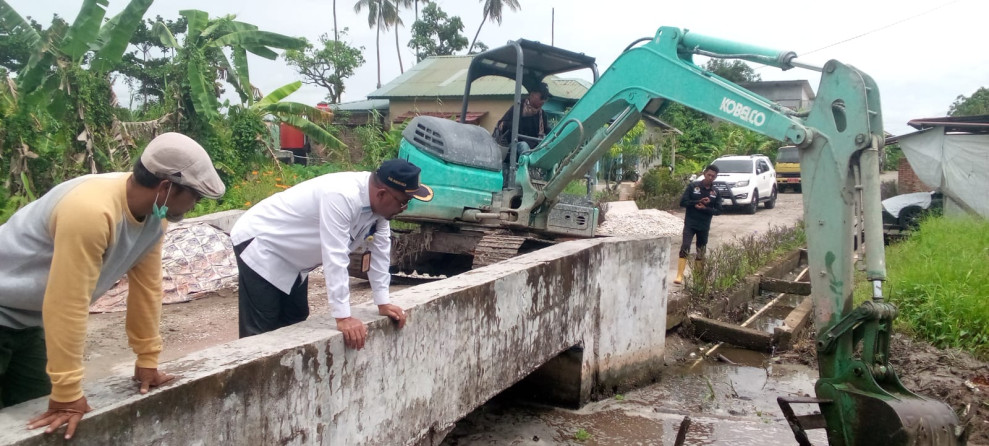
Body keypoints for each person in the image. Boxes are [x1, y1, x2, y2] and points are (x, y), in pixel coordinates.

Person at [0, 132, 225, 439]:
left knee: (33, 421)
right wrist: (67, 391)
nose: (195, 204)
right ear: (166, 187)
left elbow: (146, 289)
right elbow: (68, 302)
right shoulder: (92, 211)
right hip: (6, 308)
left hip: (27, 323)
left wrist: (147, 360)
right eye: (195, 196)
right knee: (54, 406)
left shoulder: (154, 219)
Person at [231, 159, 432, 348]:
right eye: (403, 202)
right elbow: (335, 256)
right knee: (262, 331)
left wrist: (383, 302)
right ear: (381, 194)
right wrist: (343, 317)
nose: (404, 208)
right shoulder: (342, 196)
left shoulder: (380, 212)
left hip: (294, 261)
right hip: (262, 245)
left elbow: (379, 253)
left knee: (295, 320)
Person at [675, 164, 723, 284]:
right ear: (704, 174)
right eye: (709, 175)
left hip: (704, 225)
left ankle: (698, 278)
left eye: (713, 176)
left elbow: (719, 211)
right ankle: (679, 276)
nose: (710, 178)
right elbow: (683, 202)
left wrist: (705, 209)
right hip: (690, 223)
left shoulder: (715, 192)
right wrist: (698, 201)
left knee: (701, 250)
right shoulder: (693, 186)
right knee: (685, 246)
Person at [493, 82, 551, 147]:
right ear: (532, 95)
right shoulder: (518, 107)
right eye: (542, 97)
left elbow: (547, 130)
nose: (543, 101)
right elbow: (503, 125)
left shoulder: (542, 115)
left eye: (545, 98)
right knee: (524, 145)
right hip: (514, 144)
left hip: (534, 147)